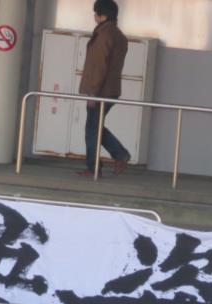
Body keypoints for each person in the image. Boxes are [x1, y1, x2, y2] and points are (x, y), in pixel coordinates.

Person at [77, 0, 131, 178]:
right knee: (95, 127)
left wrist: (93, 92)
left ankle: (96, 167)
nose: (94, 16)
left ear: (103, 16)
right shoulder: (119, 35)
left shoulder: (104, 35)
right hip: (111, 90)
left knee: (92, 130)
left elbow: (99, 66)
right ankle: (119, 155)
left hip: (101, 91)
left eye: (96, 13)